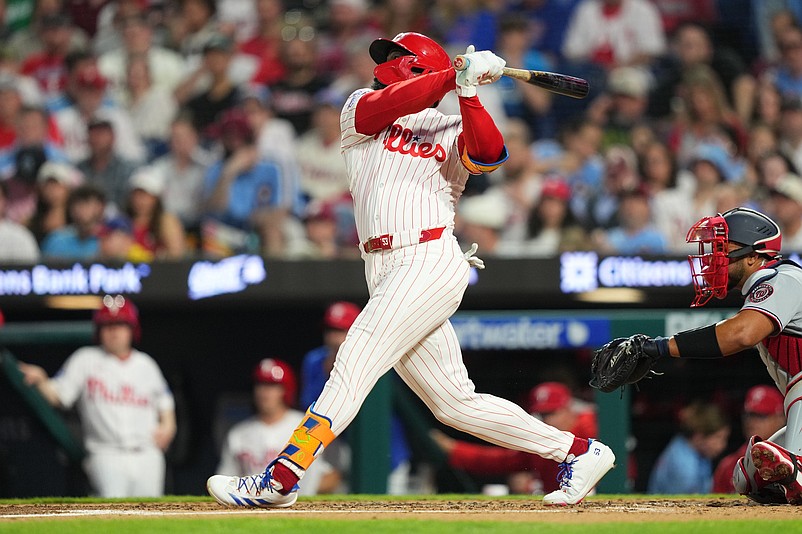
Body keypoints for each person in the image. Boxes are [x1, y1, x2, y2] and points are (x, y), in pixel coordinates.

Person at [206, 32, 615, 508]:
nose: (387, 63)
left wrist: (467, 92)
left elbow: (489, 153)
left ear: (420, 66)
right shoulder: (360, 107)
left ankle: (281, 476)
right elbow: (398, 99)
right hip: (383, 266)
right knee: (454, 403)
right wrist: (455, 75)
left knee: (352, 366)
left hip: (429, 258)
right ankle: (579, 451)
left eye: (399, 57)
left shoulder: (448, 123)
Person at [602, 206, 802, 504]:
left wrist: (659, 347)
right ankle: (793, 473)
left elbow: (740, 334)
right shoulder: (766, 287)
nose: (713, 258)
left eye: (724, 249)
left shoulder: (784, 279)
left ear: (752, 256)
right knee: (748, 477)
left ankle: (798, 473)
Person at [18, 295, 176, 497]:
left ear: (131, 329)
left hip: (146, 453)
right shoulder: (85, 359)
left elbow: (165, 400)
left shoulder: (146, 364)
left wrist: (169, 425)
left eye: (120, 324)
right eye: (107, 325)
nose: (113, 331)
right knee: (111, 517)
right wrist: (41, 380)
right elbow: (59, 395)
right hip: (106, 454)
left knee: (152, 519)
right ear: (99, 330)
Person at [431, 381, 599, 495]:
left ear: (569, 408)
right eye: (542, 414)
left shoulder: (589, 424)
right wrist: (455, 449)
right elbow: (501, 460)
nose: (547, 420)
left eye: (552, 413)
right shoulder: (541, 439)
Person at [215, 358, 341, 496]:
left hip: (297, 506)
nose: (264, 392)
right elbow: (224, 480)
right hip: (252, 505)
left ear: (286, 390)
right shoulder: (238, 434)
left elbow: (332, 477)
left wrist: (300, 490)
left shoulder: (306, 425)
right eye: (260, 385)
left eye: (271, 386)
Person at [713, 385, 786, 493]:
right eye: (749, 415)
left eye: (761, 416)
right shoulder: (728, 466)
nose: (751, 421)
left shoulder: (794, 461)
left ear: (780, 418)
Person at [647, 401, 731, 494]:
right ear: (699, 436)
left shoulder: (692, 449)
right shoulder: (684, 467)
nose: (723, 445)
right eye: (718, 438)